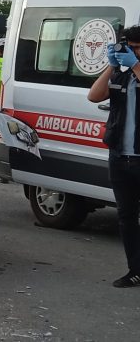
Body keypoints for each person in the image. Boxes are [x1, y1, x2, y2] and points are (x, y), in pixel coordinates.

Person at [87, 25, 140, 288]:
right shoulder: (123, 76)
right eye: (128, 48)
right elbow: (94, 95)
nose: (131, 53)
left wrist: (137, 66)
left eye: (137, 49)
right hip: (120, 156)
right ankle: (135, 269)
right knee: (126, 216)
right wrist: (111, 66)